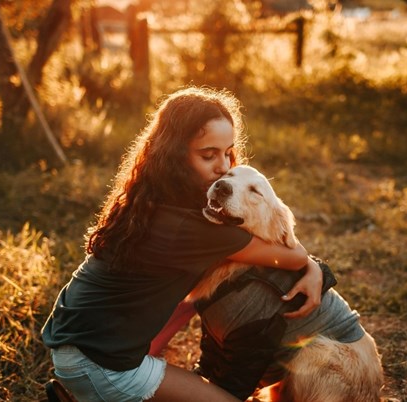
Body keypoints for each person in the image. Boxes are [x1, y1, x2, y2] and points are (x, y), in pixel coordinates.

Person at [41, 86, 324, 402]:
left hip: (74, 347)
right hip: (101, 365)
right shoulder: (195, 229)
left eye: (227, 152)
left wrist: (311, 266)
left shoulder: (151, 200)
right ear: (175, 155)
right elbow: (290, 256)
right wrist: (314, 268)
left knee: (196, 288)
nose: (223, 167)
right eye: (208, 155)